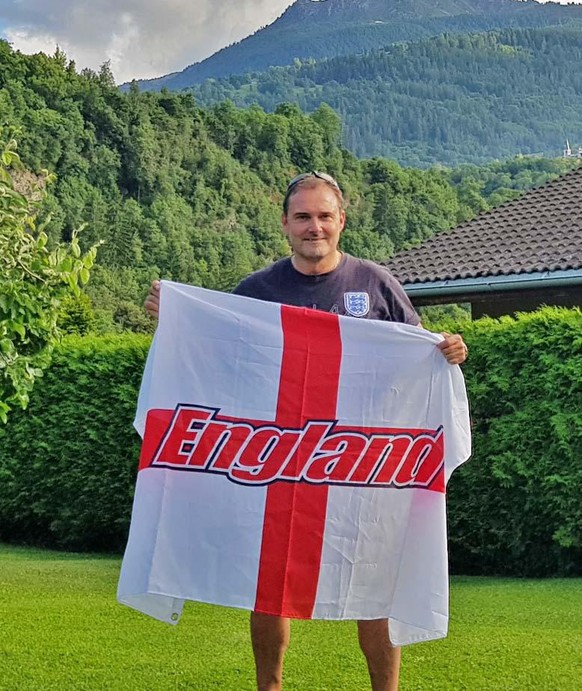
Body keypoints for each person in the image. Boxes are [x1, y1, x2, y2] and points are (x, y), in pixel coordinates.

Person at [144, 171, 468, 691]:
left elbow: (419, 360)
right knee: (269, 584)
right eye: (303, 217)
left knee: (377, 581)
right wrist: (177, 319)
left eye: (323, 216)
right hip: (281, 462)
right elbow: (220, 357)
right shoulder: (257, 290)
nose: (313, 227)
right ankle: (268, 686)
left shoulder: (377, 285)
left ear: (341, 220)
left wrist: (449, 351)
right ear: (285, 225)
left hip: (361, 463)